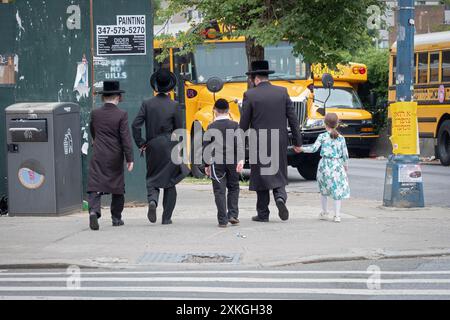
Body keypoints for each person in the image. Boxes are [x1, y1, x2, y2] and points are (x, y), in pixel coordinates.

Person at [239, 60, 302, 222]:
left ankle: (263, 213)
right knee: (278, 170)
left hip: (258, 140)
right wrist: (297, 142)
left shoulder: (250, 94)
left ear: (255, 78)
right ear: (267, 76)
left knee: (260, 175)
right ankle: (280, 197)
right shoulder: (282, 92)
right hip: (279, 138)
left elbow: (244, 123)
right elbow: (293, 119)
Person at [132, 69, 189, 225]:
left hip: (152, 145)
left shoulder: (147, 104)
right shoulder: (175, 105)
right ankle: (167, 217)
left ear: (155, 85)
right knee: (170, 182)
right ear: (170, 86)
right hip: (170, 145)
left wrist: (141, 143)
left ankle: (153, 201)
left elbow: (135, 125)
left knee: (152, 178)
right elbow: (179, 130)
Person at [87, 81, 134, 231]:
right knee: (117, 187)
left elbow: (92, 130)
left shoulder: (95, 113)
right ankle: (116, 218)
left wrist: (96, 141)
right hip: (115, 155)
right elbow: (125, 138)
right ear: (118, 97)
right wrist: (130, 158)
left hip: (99, 153)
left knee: (95, 184)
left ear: (103, 98)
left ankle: (94, 211)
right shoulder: (121, 114)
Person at [300, 113, 350, 223]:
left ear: (324, 124)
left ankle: (324, 212)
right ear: (337, 124)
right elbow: (345, 155)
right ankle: (337, 215)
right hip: (337, 165)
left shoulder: (322, 136)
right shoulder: (341, 138)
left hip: (324, 165)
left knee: (324, 190)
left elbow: (313, 149)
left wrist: (301, 149)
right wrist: (345, 166)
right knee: (337, 191)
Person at [203, 99, 245, 228]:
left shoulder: (211, 127)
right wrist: (241, 159)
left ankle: (222, 220)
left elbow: (206, 147)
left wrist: (206, 165)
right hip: (233, 160)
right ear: (228, 111)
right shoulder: (234, 125)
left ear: (215, 110)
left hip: (217, 162)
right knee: (233, 187)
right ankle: (232, 214)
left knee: (219, 190)